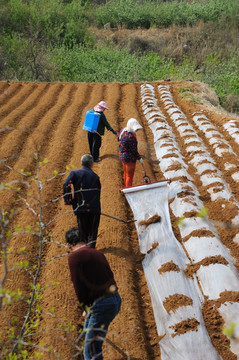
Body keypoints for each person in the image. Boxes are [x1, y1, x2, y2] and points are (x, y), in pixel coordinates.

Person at [65, 227, 121, 360]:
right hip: (115, 299)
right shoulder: (97, 253)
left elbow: (78, 286)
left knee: (90, 351)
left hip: (101, 304)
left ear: (69, 244)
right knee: (88, 330)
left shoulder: (74, 257)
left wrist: (85, 307)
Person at [63, 154, 101, 248]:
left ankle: (84, 249)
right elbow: (98, 191)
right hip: (94, 208)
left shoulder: (75, 174)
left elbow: (66, 185)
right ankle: (91, 249)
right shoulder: (95, 177)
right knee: (92, 231)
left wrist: (69, 200)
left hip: (81, 207)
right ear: (91, 164)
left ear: (81, 163)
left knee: (82, 231)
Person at [118, 118, 144, 188]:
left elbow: (118, 139)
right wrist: (139, 158)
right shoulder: (130, 137)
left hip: (122, 156)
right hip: (129, 158)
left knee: (126, 173)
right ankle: (128, 191)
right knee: (130, 175)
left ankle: (125, 187)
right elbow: (134, 150)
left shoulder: (123, 131)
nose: (136, 130)